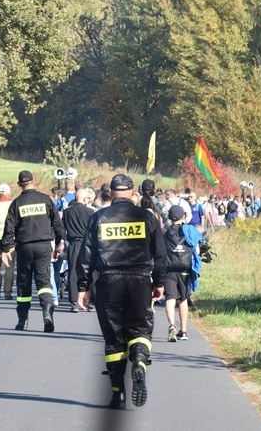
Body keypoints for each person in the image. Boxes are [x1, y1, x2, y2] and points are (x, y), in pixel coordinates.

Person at [76, 174, 167, 409]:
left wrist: (83, 288)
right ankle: (139, 361)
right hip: (139, 281)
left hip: (108, 283)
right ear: (132, 191)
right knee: (140, 330)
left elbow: (86, 255)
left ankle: (118, 394)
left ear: (112, 192)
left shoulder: (98, 217)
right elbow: (159, 254)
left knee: (114, 340)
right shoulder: (146, 217)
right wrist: (158, 283)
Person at [1, 170, 66, 332]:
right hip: (44, 246)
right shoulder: (46, 200)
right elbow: (57, 223)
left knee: (24, 283)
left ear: (19, 185)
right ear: (33, 181)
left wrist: (5, 249)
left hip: (24, 247)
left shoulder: (16, 203)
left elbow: (9, 227)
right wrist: (60, 241)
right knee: (44, 281)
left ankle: (22, 321)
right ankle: (47, 313)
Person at [163, 205, 204, 342]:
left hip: (169, 269)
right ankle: (184, 331)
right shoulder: (190, 231)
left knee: (170, 298)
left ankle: (171, 326)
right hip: (185, 269)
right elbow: (196, 251)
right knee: (183, 299)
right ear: (183, 216)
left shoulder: (165, 232)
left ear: (169, 217)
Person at [62, 189, 93, 312]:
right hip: (88, 244)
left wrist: (64, 242)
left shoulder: (67, 212)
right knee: (91, 271)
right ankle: (91, 301)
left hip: (74, 243)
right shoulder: (90, 212)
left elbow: (63, 228)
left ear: (75, 198)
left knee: (73, 271)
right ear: (85, 199)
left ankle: (74, 301)